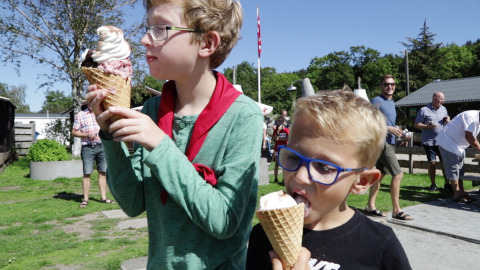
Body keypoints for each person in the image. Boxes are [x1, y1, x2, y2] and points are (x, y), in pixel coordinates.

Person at [85, 1, 263, 269]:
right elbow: (133, 203)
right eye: (147, 28)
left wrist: (159, 144)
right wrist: (109, 134)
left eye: (159, 29)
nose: (144, 40)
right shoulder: (152, 109)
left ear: (207, 43)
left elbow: (224, 221)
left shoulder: (244, 116)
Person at [246, 90, 412, 269]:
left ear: (362, 181)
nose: (300, 177)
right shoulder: (264, 235)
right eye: (294, 157)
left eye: (324, 167)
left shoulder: (380, 245)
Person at [365, 74, 413, 220]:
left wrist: (401, 135)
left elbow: (391, 125)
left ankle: (370, 206)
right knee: (398, 174)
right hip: (382, 143)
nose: (389, 87)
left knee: (380, 175)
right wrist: (388, 128)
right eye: (386, 84)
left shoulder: (392, 103)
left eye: (392, 84)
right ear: (381, 86)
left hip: (390, 142)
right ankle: (397, 210)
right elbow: (369, 122)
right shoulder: (376, 101)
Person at [72, 103, 114, 208]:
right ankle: (85, 199)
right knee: (87, 173)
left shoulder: (102, 113)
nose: (92, 103)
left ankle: (103, 197)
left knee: (103, 172)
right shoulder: (81, 114)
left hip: (102, 146)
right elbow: (74, 132)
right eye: (90, 101)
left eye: (94, 101)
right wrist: (86, 134)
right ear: (87, 102)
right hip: (87, 147)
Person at [436, 110, 480, 203]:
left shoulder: (477, 119)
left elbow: (473, 136)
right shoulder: (470, 116)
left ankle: (461, 192)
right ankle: (457, 194)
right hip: (448, 142)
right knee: (454, 168)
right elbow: (469, 136)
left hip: (458, 145)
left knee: (461, 169)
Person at [414, 92, 450, 192]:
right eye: (441, 99)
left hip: (442, 141)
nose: (443, 101)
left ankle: (447, 184)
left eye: (443, 99)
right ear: (434, 98)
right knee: (432, 163)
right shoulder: (424, 110)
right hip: (429, 141)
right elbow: (417, 124)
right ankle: (433, 184)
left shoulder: (443, 109)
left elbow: (447, 118)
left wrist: (447, 120)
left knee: (444, 163)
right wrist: (427, 127)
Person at [272, 116, 289, 183]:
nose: (280, 122)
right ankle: (275, 178)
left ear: (284, 122)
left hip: (284, 148)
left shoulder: (287, 130)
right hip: (277, 148)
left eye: (281, 121)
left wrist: (279, 138)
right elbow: (275, 139)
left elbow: (288, 139)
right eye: (279, 120)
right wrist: (278, 131)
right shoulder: (276, 130)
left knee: (284, 164)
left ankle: (283, 179)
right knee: (277, 163)